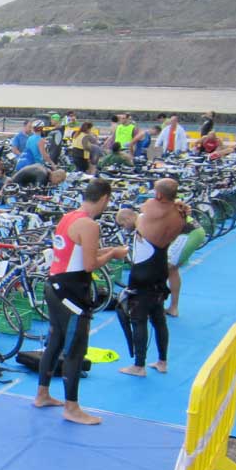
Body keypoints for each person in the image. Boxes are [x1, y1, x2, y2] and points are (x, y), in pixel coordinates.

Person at [34, 179, 128, 425]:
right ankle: (72, 407)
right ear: (105, 199)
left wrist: (105, 251)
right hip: (72, 292)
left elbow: (77, 253)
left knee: (55, 340)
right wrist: (113, 254)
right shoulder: (89, 224)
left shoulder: (69, 217)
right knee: (75, 348)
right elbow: (90, 264)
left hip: (55, 285)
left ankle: (42, 394)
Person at [115, 179, 186, 377]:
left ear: (159, 195)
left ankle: (139, 365)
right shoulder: (179, 214)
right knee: (158, 318)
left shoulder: (154, 208)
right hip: (160, 263)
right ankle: (162, 361)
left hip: (143, 270)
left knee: (138, 319)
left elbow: (140, 210)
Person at [165, 213, 206, 318]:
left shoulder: (147, 220)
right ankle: (172, 307)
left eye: (123, 225)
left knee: (169, 268)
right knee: (172, 270)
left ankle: (170, 307)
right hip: (193, 231)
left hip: (189, 233)